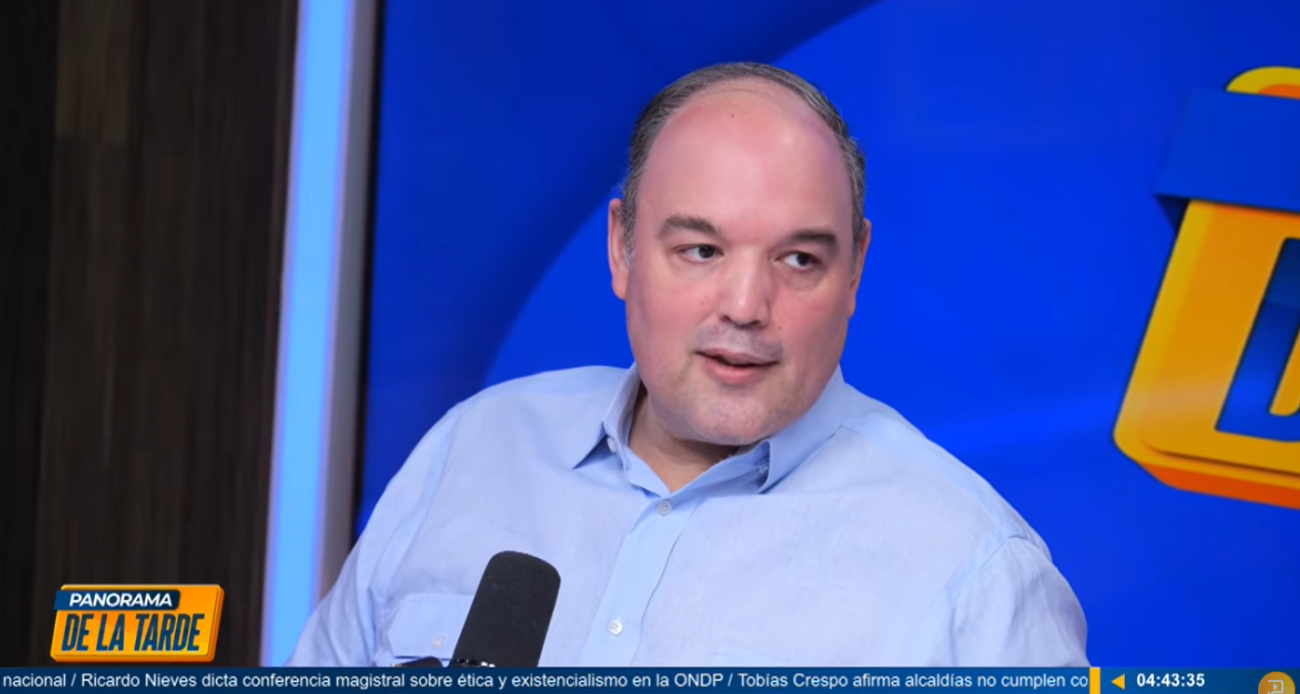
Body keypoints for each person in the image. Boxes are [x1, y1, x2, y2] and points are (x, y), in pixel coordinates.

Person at [289, 62, 1088, 667]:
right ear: (621, 248)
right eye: (701, 250)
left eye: (799, 259)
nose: (745, 305)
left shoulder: (974, 574)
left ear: (855, 271)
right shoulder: (472, 449)